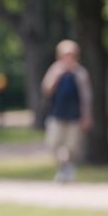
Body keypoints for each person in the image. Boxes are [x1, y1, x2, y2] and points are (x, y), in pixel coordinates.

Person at [41, 39, 92, 183]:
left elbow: (86, 97)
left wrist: (87, 115)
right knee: (53, 142)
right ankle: (62, 167)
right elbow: (46, 90)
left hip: (74, 115)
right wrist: (57, 76)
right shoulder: (55, 70)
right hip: (56, 113)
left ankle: (68, 167)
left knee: (72, 146)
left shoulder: (80, 73)